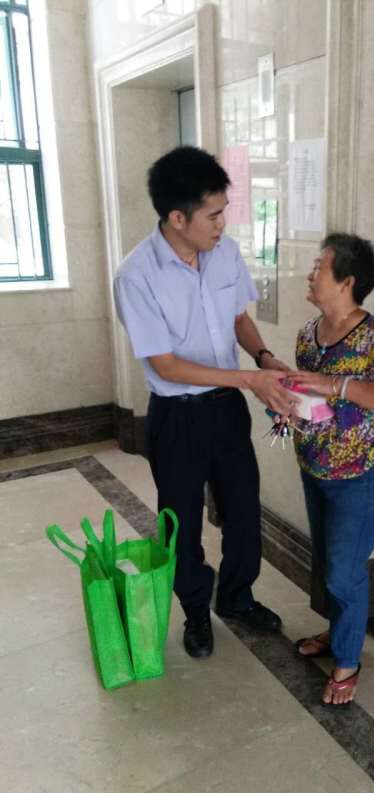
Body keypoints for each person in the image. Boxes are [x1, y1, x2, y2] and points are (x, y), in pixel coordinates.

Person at [114, 146, 296, 660]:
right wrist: (249, 378)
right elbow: (166, 364)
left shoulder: (226, 252)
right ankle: (195, 609)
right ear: (178, 217)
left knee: (243, 511)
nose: (222, 224)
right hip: (177, 417)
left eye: (223, 212)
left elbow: (238, 318)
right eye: (213, 215)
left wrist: (263, 357)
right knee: (182, 521)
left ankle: (237, 598)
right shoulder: (136, 276)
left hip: (227, 410)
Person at [289, 233, 374, 705]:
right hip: (314, 467)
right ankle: (337, 632)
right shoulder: (308, 334)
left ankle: (347, 660)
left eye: (319, 267)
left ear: (347, 282)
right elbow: (310, 397)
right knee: (327, 562)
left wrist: (335, 385)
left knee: (344, 572)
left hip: (359, 474)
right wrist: (288, 406)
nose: (310, 274)